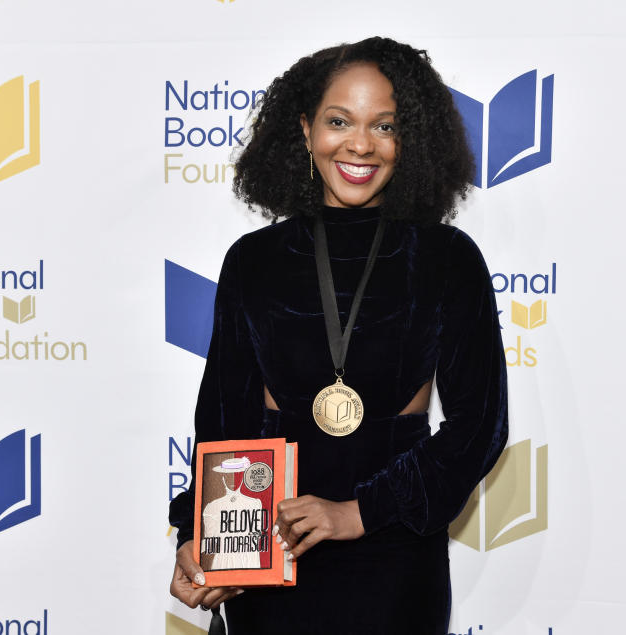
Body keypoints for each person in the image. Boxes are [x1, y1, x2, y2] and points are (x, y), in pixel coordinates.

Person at [169, 36, 509, 634]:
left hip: (393, 561)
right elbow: (224, 422)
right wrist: (202, 539)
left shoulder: (446, 258)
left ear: (412, 141)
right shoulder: (254, 260)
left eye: (385, 125)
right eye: (338, 121)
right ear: (304, 131)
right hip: (270, 549)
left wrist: (359, 512)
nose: (360, 144)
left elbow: (480, 427)